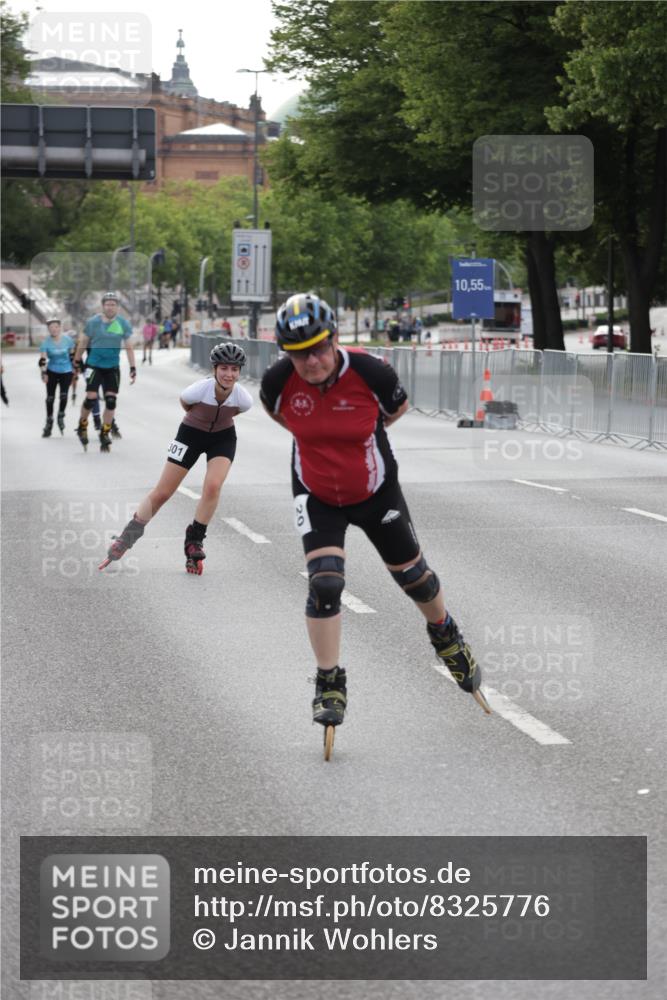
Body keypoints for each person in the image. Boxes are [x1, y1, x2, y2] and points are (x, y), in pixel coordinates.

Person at [260, 292, 489, 732]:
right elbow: (278, 414)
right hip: (315, 492)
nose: (310, 362)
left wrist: (355, 436)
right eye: (298, 355)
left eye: (318, 349)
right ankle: (329, 681)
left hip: (374, 491)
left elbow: (396, 409)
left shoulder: (370, 372)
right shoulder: (277, 382)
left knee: (415, 579)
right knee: (325, 583)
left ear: (336, 340)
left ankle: (444, 632)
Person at [100, 341, 252, 575]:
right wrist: (199, 422)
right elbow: (185, 404)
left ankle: (194, 539)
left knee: (213, 487)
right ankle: (127, 536)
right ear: (214, 369)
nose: (229, 374)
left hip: (223, 437)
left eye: (234, 369)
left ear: (240, 372)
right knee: (163, 491)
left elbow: (238, 412)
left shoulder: (243, 398)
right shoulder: (198, 390)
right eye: (224, 368)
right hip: (190, 434)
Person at [73, 292, 136, 452]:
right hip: (93, 365)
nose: (110, 307)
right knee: (91, 397)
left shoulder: (123, 323)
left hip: (112, 367)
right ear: (103, 306)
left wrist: (132, 367)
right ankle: (82, 424)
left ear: (118, 307)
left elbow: (129, 347)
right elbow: (83, 342)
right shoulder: (93, 322)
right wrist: (77, 361)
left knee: (111, 401)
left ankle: (105, 432)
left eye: (113, 304)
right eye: (107, 304)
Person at [38, 318, 75, 437]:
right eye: (51, 327)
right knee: (50, 398)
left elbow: (72, 356)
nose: (53, 329)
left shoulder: (68, 340)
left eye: (55, 327)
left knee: (63, 395)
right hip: (52, 371)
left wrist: (75, 369)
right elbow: (43, 359)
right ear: (48, 329)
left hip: (66, 371)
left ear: (60, 327)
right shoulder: (46, 342)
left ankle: (61, 415)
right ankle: (49, 421)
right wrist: (43, 373)